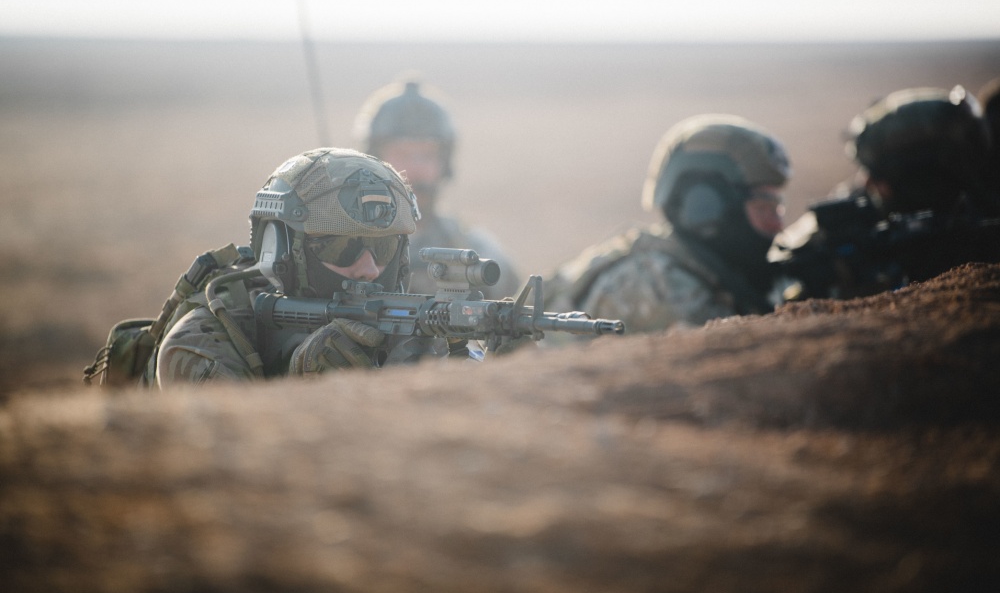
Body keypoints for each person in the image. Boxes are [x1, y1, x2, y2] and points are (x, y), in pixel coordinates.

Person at [151, 148, 448, 389]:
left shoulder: (407, 326)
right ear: (283, 253)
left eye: (384, 248)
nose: (368, 269)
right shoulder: (201, 343)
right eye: (341, 248)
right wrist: (300, 381)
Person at [546, 114, 791, 334]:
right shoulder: (659, 284)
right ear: (706, 209)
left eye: (777, 209)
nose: (777, 225)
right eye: (763, 209)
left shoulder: (711, 268)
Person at [773, 85, 998, 299]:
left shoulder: (981, 206)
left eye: (877, 174)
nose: (867, 182)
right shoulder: (858, 212)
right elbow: (790, 254)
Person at [353, 79, 522, 298]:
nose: (415, 169)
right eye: (402, 154)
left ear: (445, 163)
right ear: (373, 161)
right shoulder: (340, 248)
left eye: (427, 154)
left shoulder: (476, 251)